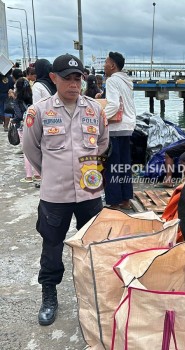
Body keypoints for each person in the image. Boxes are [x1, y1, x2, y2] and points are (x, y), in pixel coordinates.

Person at [23, 54, 109, 326]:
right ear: (53, 78)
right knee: (52, 247)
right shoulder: (38, 112)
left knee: (92, 246)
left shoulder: (95, 110)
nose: (74, 84)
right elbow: (31, 150)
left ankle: (93, 295)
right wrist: (52, 172)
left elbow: (103, 144)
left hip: (90, 194)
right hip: (55, 196)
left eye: (77, 78)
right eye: (67, 78)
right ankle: (49, 295)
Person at [103, 51, 136, 210]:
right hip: (128, 127)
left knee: (112, 166)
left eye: (105, 62)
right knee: (124, 166)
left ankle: (114, 202)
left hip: (116, 128)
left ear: (112, 65)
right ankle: (126, 200)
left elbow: (114, 105)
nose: (104, 65)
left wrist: (100, 119)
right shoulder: (127, 81)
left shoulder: (111, 81)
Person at [11, 77, 40, 183]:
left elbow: (18, 115)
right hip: (34, 125)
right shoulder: (32, 97)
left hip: (23, 127)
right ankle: (37, 174)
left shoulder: (17, 100)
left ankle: (28, 176)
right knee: (36, 149)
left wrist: (13, 120)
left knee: (26, 151)